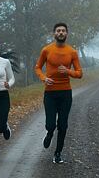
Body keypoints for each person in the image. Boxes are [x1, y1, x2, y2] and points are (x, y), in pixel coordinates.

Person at [34, 22, 83, 164]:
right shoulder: (47, 50)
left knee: (63, 125)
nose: (61, 33)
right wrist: (44, 78)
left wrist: (68, 71)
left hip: (65, 93)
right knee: (51, 124)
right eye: (58, 31)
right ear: (54, 34)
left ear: (67, 34)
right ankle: (49, 133)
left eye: (63, 31)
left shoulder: (72, 52)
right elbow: (37, 67)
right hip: (50, 93)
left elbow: (79, 73)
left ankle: (58, 153)